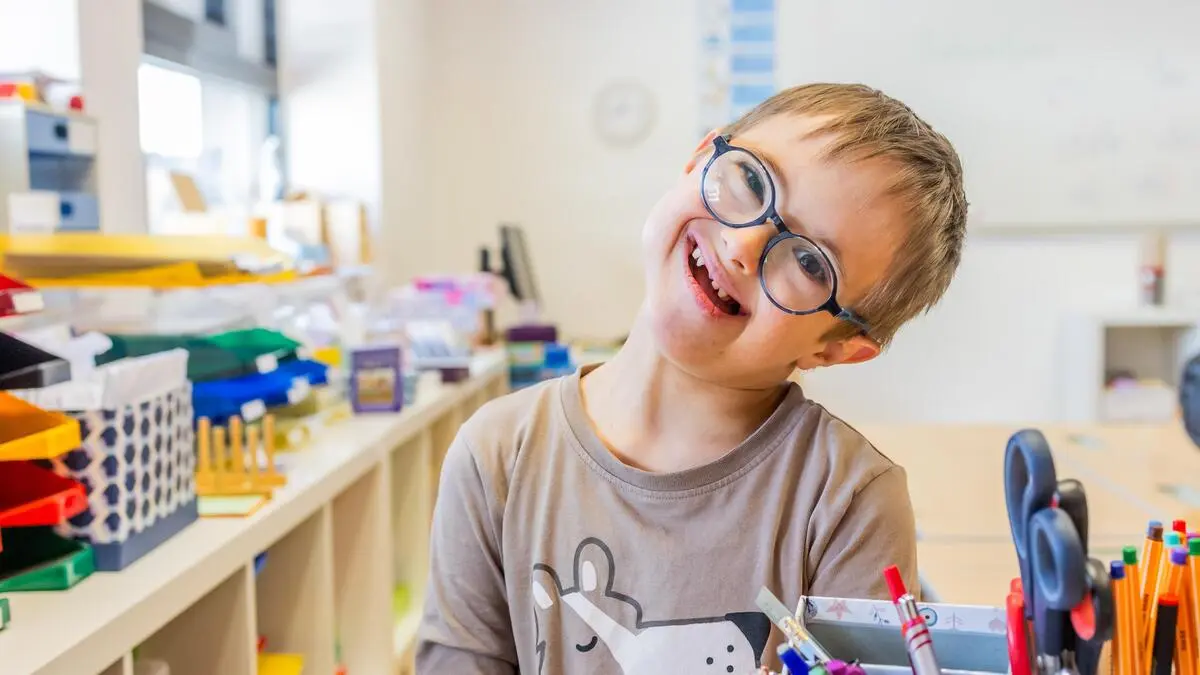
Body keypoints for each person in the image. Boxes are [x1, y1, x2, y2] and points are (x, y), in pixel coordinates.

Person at [415, 83, 968, 674]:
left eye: (811, 263)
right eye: (752, 179)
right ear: (702, 156)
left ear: (835, 348)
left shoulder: (848, 501)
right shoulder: (497, 454)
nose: (745, 243)